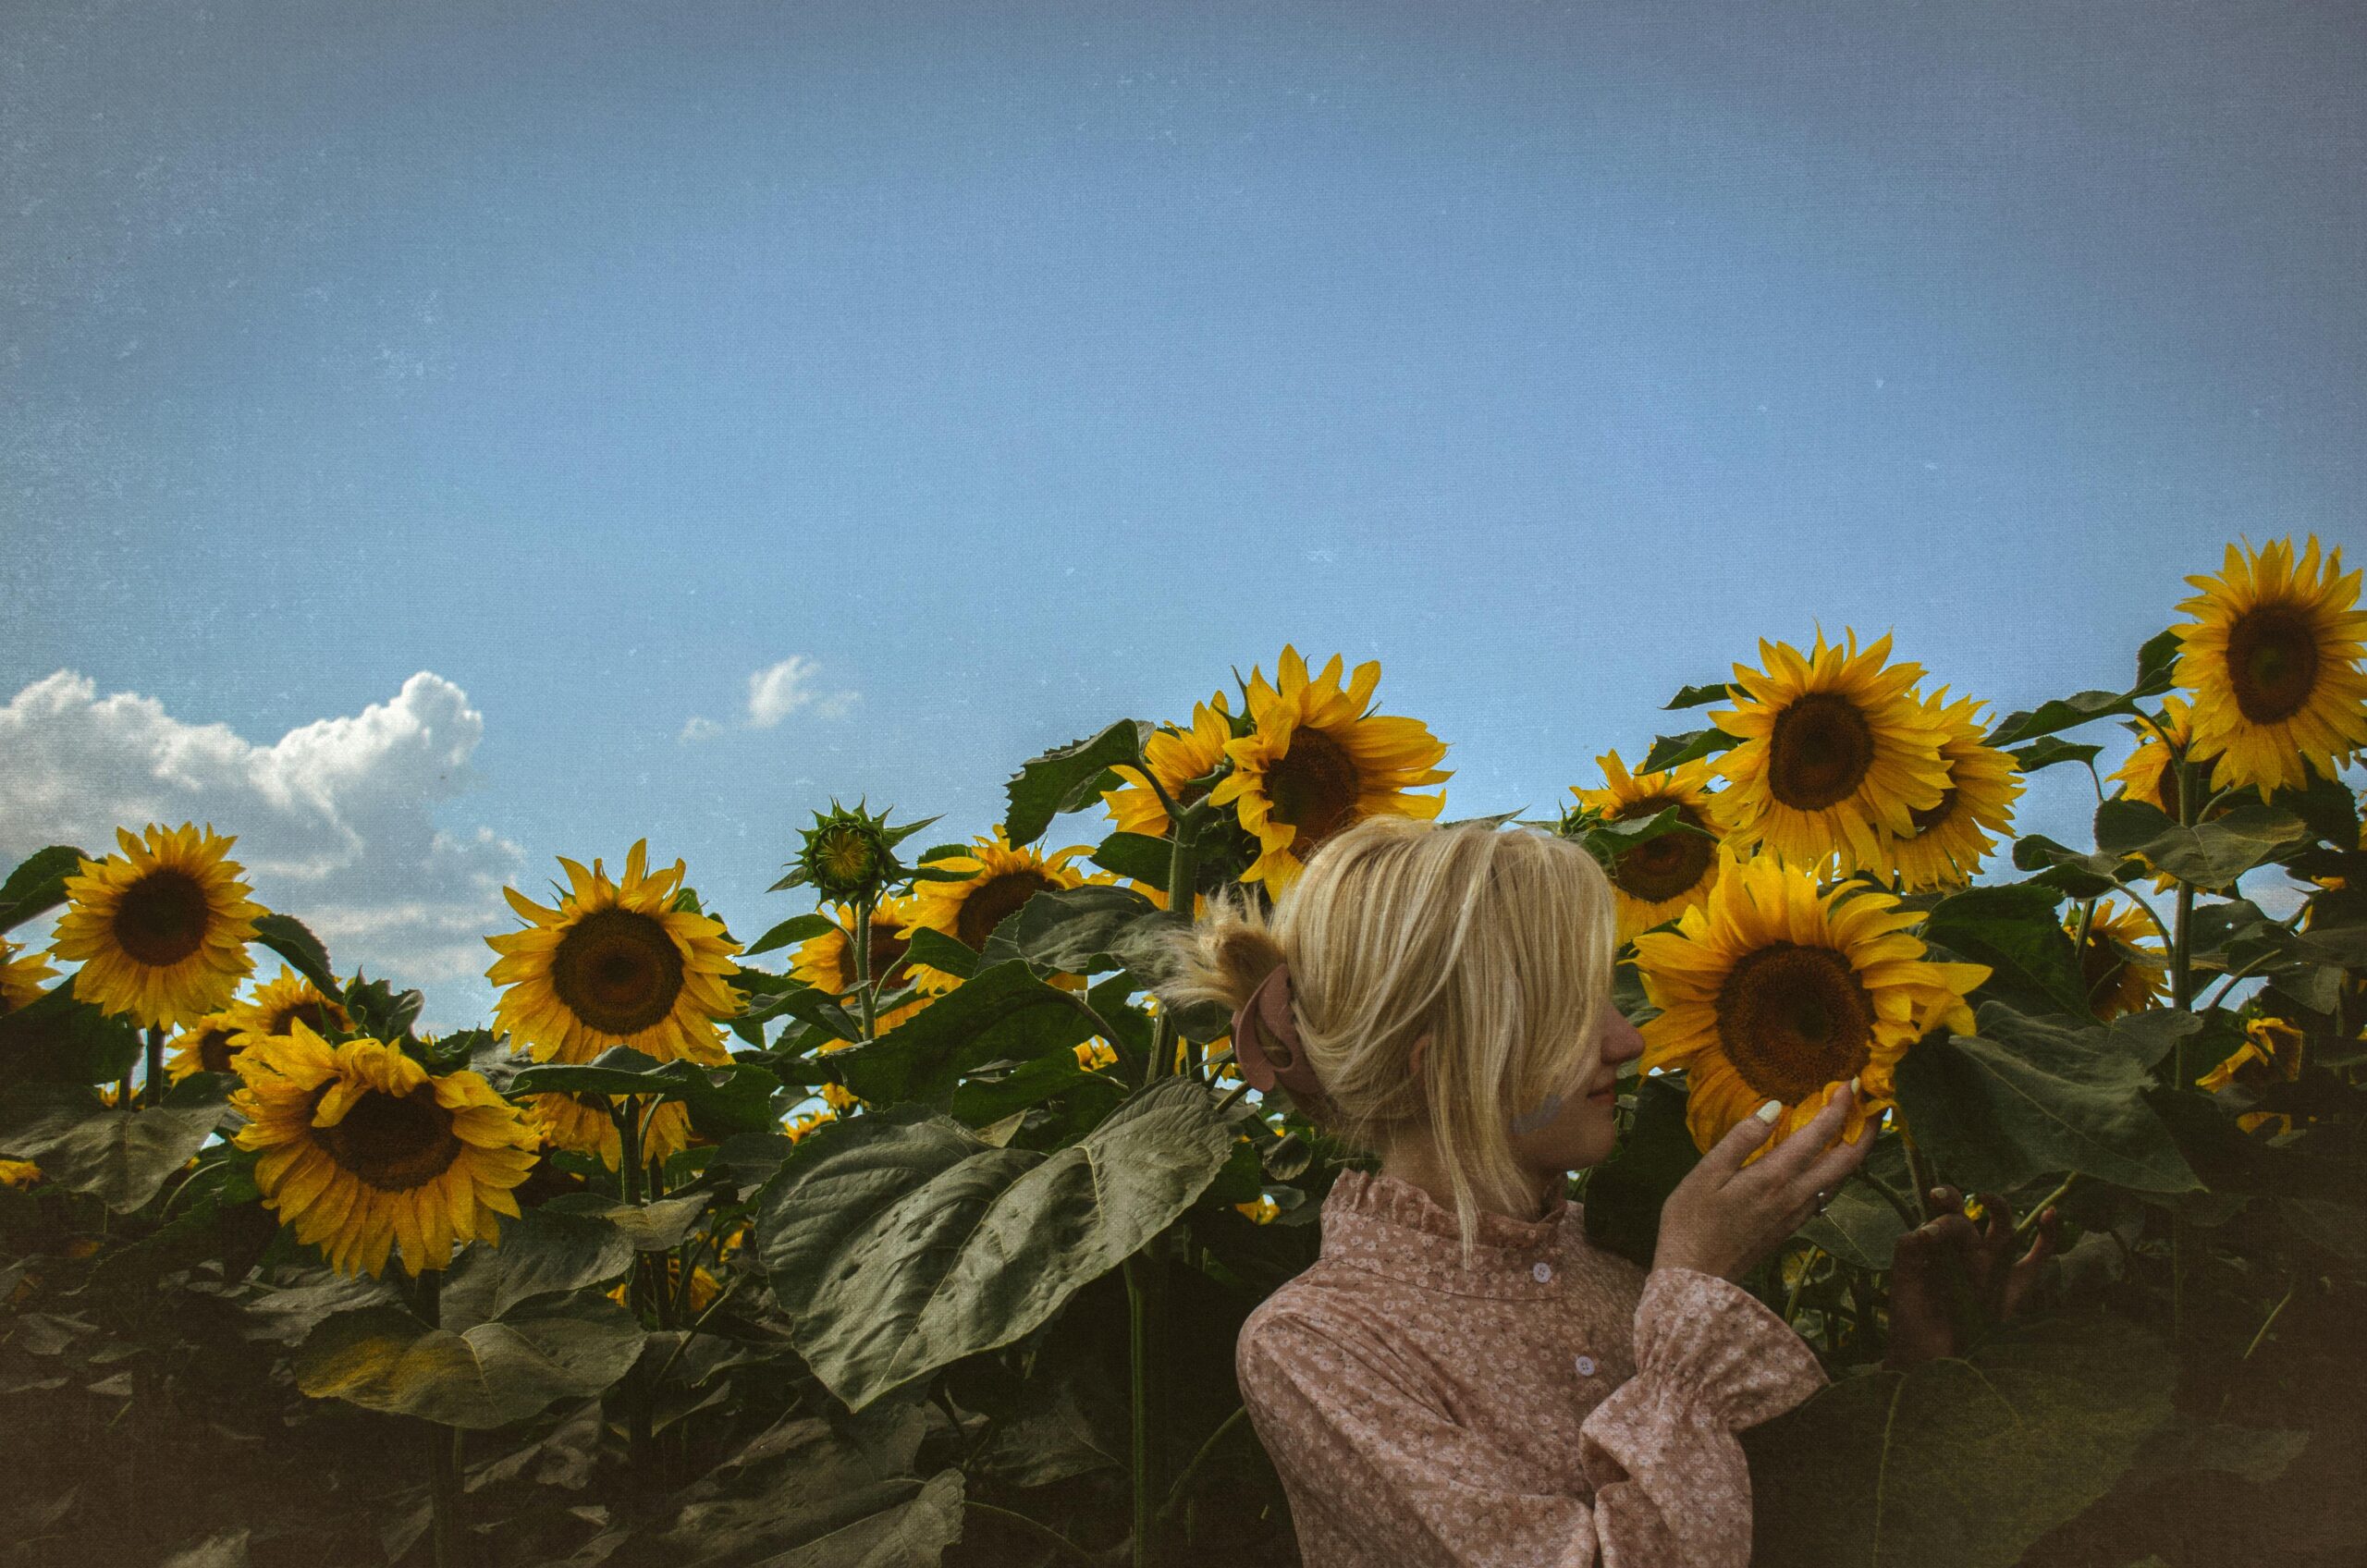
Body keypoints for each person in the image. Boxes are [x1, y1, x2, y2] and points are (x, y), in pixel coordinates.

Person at [1153, 815, 2060, 1568]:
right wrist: (1695, 1292)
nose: (1626, 1042)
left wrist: (1921, 1371)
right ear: (1445, 1068)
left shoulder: (1618, 1254)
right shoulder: (1319, 1345)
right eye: (1570, 1010)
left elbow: (1790, 1529)